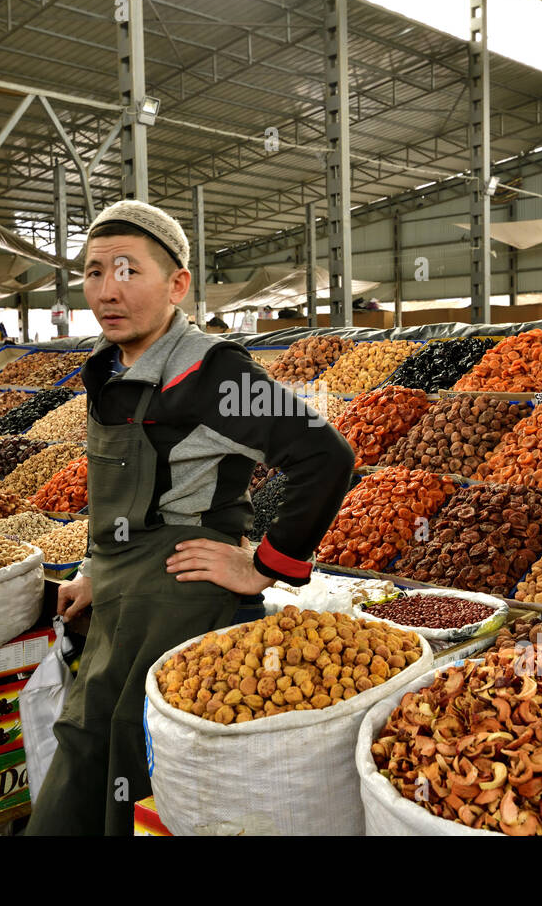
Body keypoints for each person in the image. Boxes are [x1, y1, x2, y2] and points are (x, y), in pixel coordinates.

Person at [26, 200, 354, 836]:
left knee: (141, 751)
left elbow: (325, 456)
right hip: (121, 587)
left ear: (177, 284)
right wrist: (98, 567)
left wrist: (264, 564)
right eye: (94, 273)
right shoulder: (108, 366)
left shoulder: (214, 371)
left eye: (128, 270)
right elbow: (110, 486)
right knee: (86, 738)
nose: (106, 291)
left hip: (183, 593)